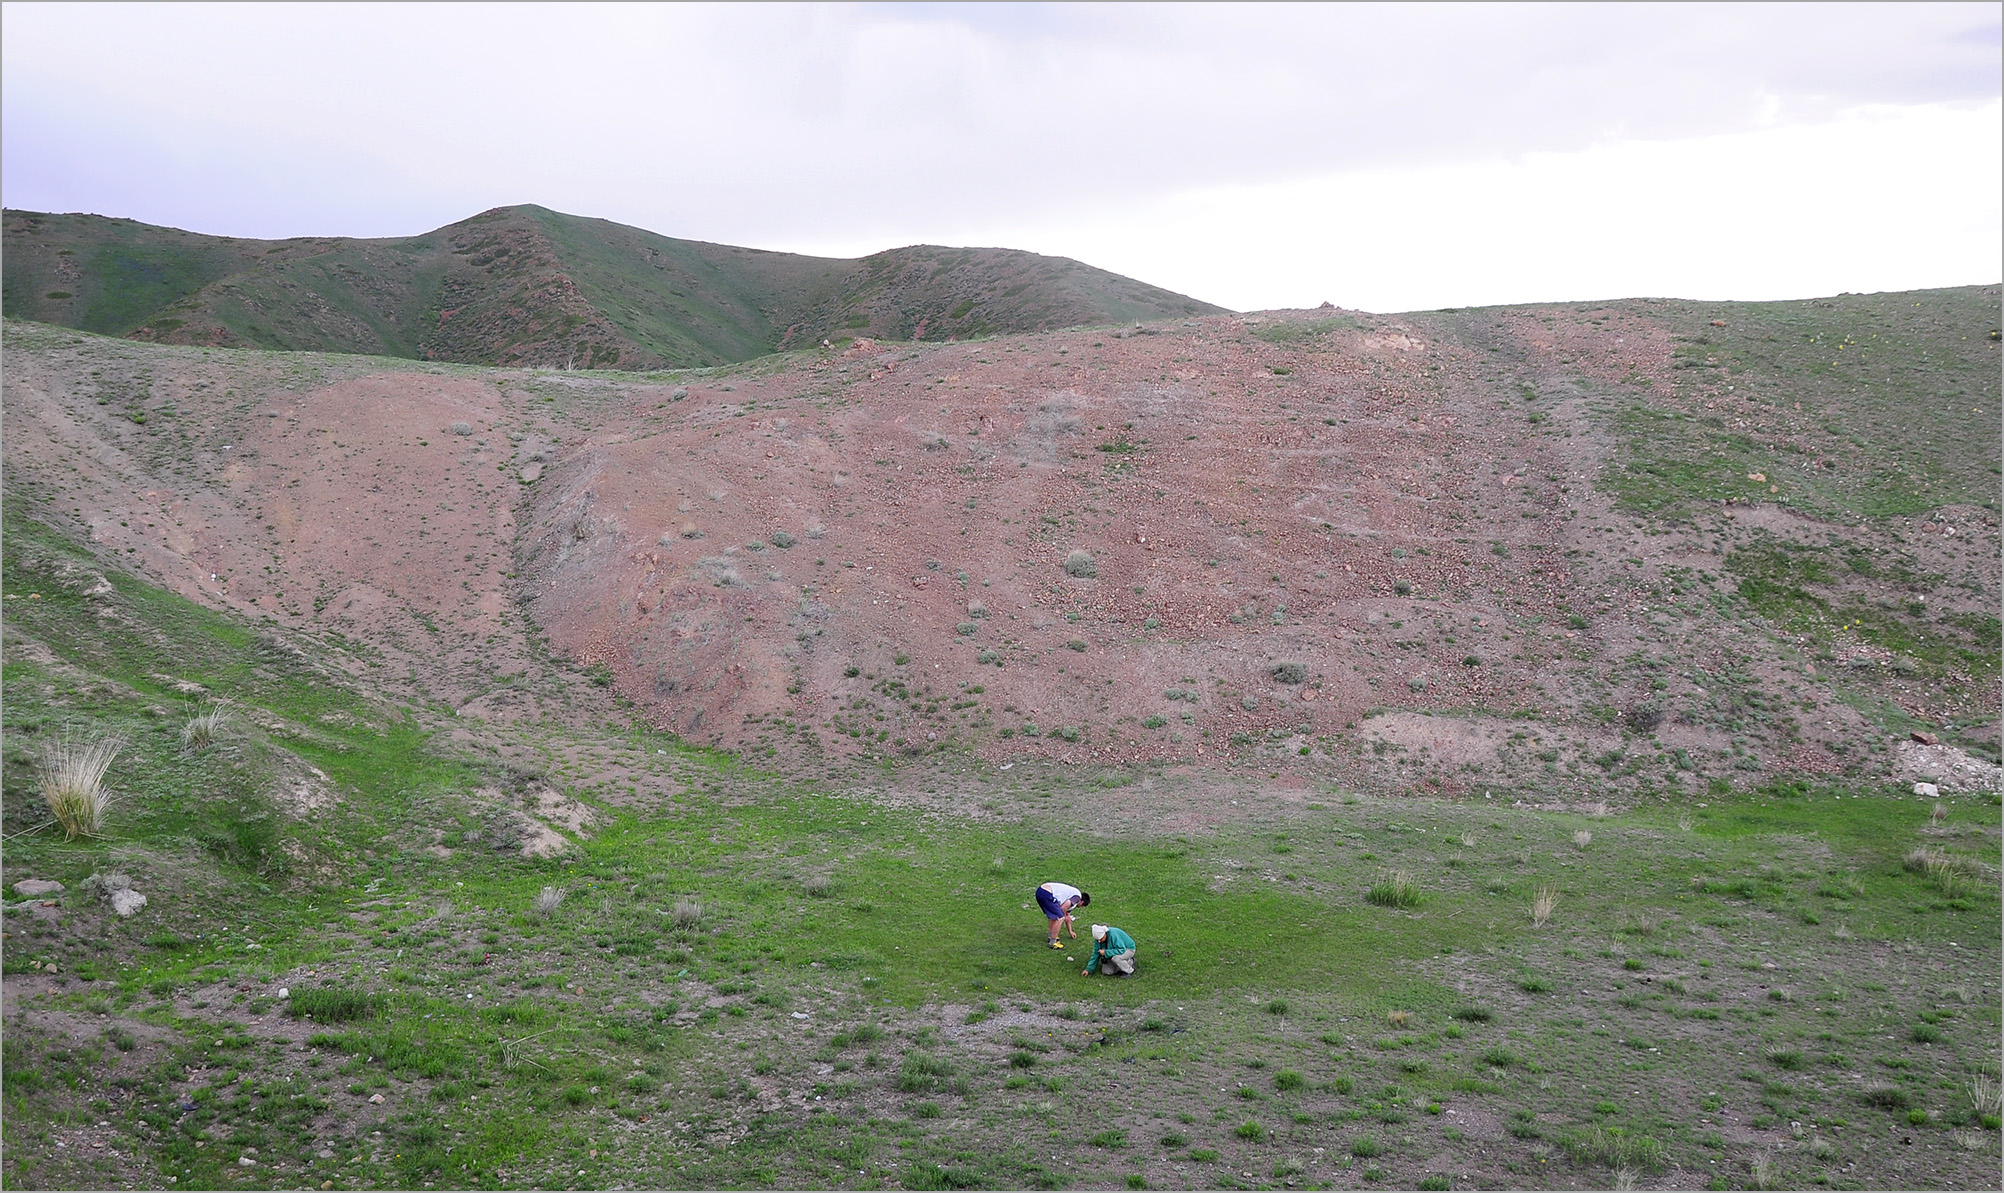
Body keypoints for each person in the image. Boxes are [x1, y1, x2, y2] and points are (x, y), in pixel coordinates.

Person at [1034, 881, 1089, 949]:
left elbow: (1068, 917)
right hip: (1047, 893)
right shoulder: (1077, 897)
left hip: (1040, 891)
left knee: (1054, 916)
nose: (1080, 907)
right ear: (1082, 902)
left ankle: (1051, 936)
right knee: (1060, 918)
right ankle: (1053, 942)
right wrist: (1064, 917)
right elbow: (1063, 908)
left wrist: (1070, 931)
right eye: (1081, 906)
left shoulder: (1072, 895)